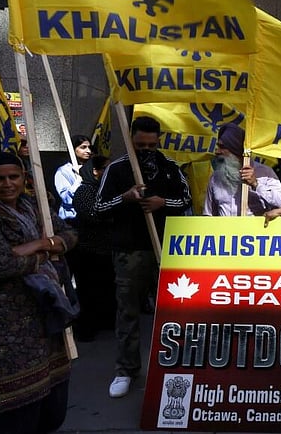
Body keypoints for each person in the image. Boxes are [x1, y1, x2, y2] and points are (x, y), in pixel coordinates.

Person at [0, 152, 78, 433]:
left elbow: (70, 235)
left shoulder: (33, 207)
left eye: (13, 177)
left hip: (45, 314)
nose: (8, 184)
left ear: (24, 178)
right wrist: (46, 251)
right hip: (5, 324)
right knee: (8, 409)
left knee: (50, 402)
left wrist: (41, 243)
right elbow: (0, 264)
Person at [95, 117, 192, 399]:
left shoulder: (170, 168)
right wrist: (124, 198)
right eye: (140, 145)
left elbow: (185, 200)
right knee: (128, 311)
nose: (147, 149)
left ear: (159, 140)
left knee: (176, 311)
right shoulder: (117, 169)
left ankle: (173, 366)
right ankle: (126, 369)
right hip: (129, 251)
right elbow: (98, 207)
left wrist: (163, 202)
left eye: (152, 144)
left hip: (168, 250)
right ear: (131, 141)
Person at [70, 155, 116, 342]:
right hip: (88, 251)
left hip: (107, 250)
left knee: (106, 288)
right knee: (88, 291)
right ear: (95, 171)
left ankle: (106, 321)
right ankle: (87, 327)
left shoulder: (108, 191)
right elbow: (92, 215)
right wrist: (114, 212)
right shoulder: (84, 191)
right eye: (106, 168)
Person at [203, 123, 281, 216]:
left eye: (222, 147)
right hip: (225, 230)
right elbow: (208, 214)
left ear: (236, 150)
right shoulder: (215, 178)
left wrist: (256, 184)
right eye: (218, 146)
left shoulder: (264, 173)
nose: (217, 151)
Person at [53, 134, 93, 223]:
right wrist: (78, 181)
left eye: (89, 147)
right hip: (71, 219)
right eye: (83, 147)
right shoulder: (63, 171)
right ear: (73, 149)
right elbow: (67, 199)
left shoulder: (92, 169)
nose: (88, 151)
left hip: (90, 219)